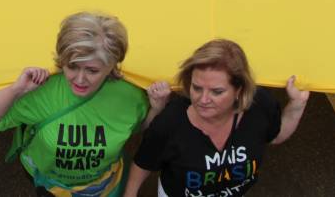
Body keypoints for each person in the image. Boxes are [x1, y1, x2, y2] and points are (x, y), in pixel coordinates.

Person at [0, 12, 167, 196]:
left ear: (112, 65)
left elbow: (137, 127)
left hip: (103, 185)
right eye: (72, 66)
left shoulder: (130, 95)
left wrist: (157, 109)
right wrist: (16, 90)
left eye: (92, 70)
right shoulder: (41, 88)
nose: (80, 80)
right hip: (49, 184)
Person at [123, 39, 309, 197]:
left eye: (217, 91)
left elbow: (275, 136)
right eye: (197, 88)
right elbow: (143, 163)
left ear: (239, 90)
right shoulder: (170, 122)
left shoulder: (260, 106)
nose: (203, 100)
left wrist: (297, 105)